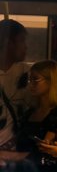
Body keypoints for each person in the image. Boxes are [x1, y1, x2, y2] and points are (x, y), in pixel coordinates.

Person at [16, 60, 57, 152]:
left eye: (35, 80)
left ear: (51, 81)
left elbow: (44, 148)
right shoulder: (30, 111)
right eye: (29, 80)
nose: (30, 84)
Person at [0, 18, 29, 152]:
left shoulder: (27, 72)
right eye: (22, 40)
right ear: (9, 43)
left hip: (18, 147)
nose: (26, 46)